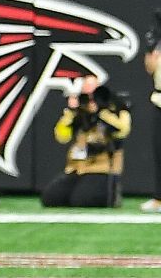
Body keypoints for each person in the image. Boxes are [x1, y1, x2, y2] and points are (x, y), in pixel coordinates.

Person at [42, 76, 131, 207]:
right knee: (51, 197)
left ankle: (112, 194)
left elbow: (122, 130)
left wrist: (101, 113)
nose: (90, 101)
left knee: (82, 199)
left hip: (101, 169)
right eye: (86, 96)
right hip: (77, 168)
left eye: (93, 95)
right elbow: (61, 137)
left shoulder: (115, 110)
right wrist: (71, 113)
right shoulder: (79, 113)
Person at [143, 39, 161, 213]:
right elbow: (149, 68)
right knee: (159, 151)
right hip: (159, 101)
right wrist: (152, 54)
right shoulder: (157, 44)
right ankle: (159, 198)